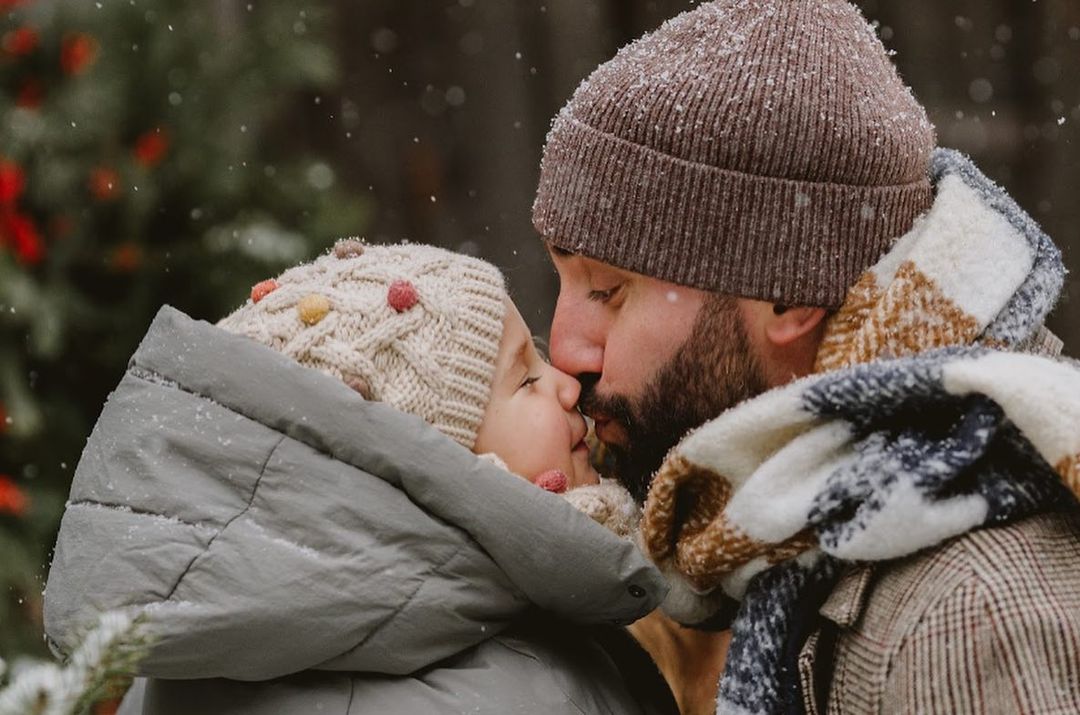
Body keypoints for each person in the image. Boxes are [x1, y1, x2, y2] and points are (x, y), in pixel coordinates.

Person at [533, 1, 1080, 713]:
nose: (566, 349)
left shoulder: (969, 620)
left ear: (788, 298)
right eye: (563, 278)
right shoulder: (792, 533)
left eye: (609, 290)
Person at [42, 241, 675, 714]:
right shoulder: (502, 691)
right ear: (430, 463)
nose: (568, 384)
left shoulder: (191, 667)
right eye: (526, 377)